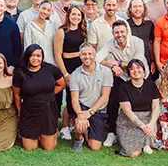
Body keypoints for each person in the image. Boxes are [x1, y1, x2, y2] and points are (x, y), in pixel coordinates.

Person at [99, 18, 146, 148]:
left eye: (122, 32)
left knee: (140, 103)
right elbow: (97, 59)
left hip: (139, 75)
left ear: (127, 32)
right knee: (113, 99)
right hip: (121, 76)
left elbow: (136, 64)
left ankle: (143, 132)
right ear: (113, 33)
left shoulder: (138, 42)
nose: (120, 35)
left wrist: (119, 63)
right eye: (116, 32)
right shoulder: (110, 44)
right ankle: (112, 131)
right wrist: (112, 65)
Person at [13, 44, 65, 151]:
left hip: (47, 109)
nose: (35, 58)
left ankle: (52, 133)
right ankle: (31, 134)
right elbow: (17, 95)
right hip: (29, 110)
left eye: (38, 56)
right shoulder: (20, 72)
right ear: (27, 56)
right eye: (32, 55)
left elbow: (61, 84)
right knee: (30, 148)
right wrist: (20, 112)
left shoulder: (51, 69)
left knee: (48, 147)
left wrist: (49, 94)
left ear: (42, 56)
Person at [68, 43, 114, 152]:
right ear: (80, 56)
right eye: (84, 54)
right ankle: (79, 137)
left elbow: (105, 96)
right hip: (82, 107)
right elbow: (74, 100)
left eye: (90, 54)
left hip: (98, 109)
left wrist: (90, 112)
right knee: (79, 123)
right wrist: (80, 115)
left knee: (95, 147)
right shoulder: (75, 74)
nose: (87, 57)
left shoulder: (106, 71)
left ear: (95, 54)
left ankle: (86, 131)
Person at [54, 3, 88, 139]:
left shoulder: (83, 31)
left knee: (78, 97)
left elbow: (86, 51)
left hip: (81, 68)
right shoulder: (62, 31)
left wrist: (75, 55)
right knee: (69, 97)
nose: (76, 17)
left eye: (79, 15)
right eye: (73, 14)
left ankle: (75, 123)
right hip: (67, 69)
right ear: (68, 15)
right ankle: (65, 127)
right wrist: (65, 74)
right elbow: (58, 55)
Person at [115, 58, 161, 157]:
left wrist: (151, 124)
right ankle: (140, 143)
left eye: (138, 67)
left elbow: (156, 106)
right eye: (132, 69)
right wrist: (142, 126)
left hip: (147, 120)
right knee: (133, 154)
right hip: (128, 121)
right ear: (128, 73)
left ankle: (145, 143)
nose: (135, 70)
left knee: (148, 132)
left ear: (143, 70)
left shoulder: (151, 85)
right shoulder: (123, 87)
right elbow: (126, 110)